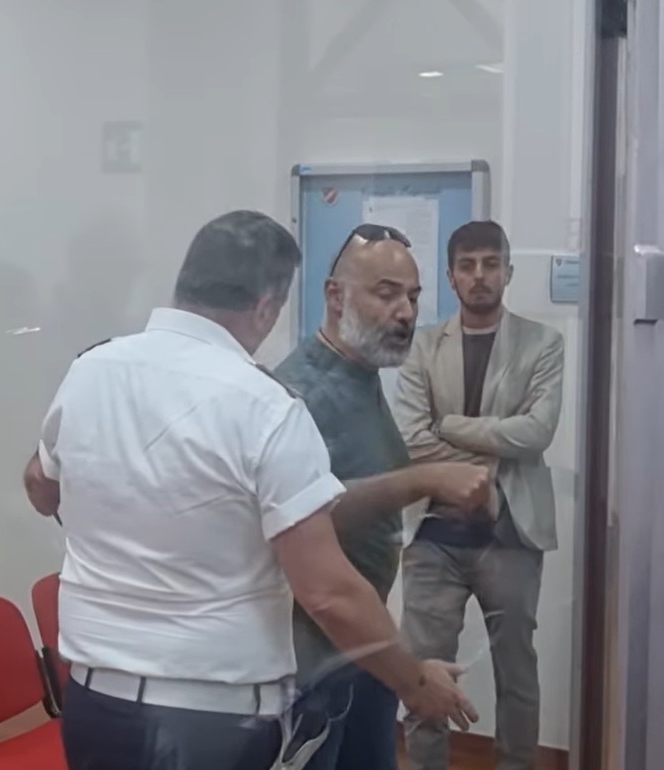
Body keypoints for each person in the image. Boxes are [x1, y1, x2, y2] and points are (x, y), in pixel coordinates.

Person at [21, 210, 477, 770]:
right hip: (209, 719)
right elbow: (328, 593)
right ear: (266, 306)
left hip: (95, 702)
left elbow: (40, 484)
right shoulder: (264, 405)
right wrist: (415, 682)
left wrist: (120, 515)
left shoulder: (92, 369)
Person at [275, 224, 493, 770]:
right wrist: (423, 481)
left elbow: (355, 477)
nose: (405, 312)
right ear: (335, 296)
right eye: (387, 293)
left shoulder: (361, 374)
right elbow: (303, 515)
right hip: (312, 664)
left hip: (362, 649)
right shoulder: (295, 395)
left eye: (413, 297)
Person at [393, 220, 564, 770]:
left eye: (491, 264)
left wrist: (450, 426)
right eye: (467, 266)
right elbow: (410, 440)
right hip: (432, 535)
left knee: (517, 674)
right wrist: (490, 450)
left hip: (509, 531)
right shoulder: (422, 346)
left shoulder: (543, 343)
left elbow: (537, 433)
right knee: (423, 673)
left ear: (508, 272)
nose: (479, 275)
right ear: (450, 277)